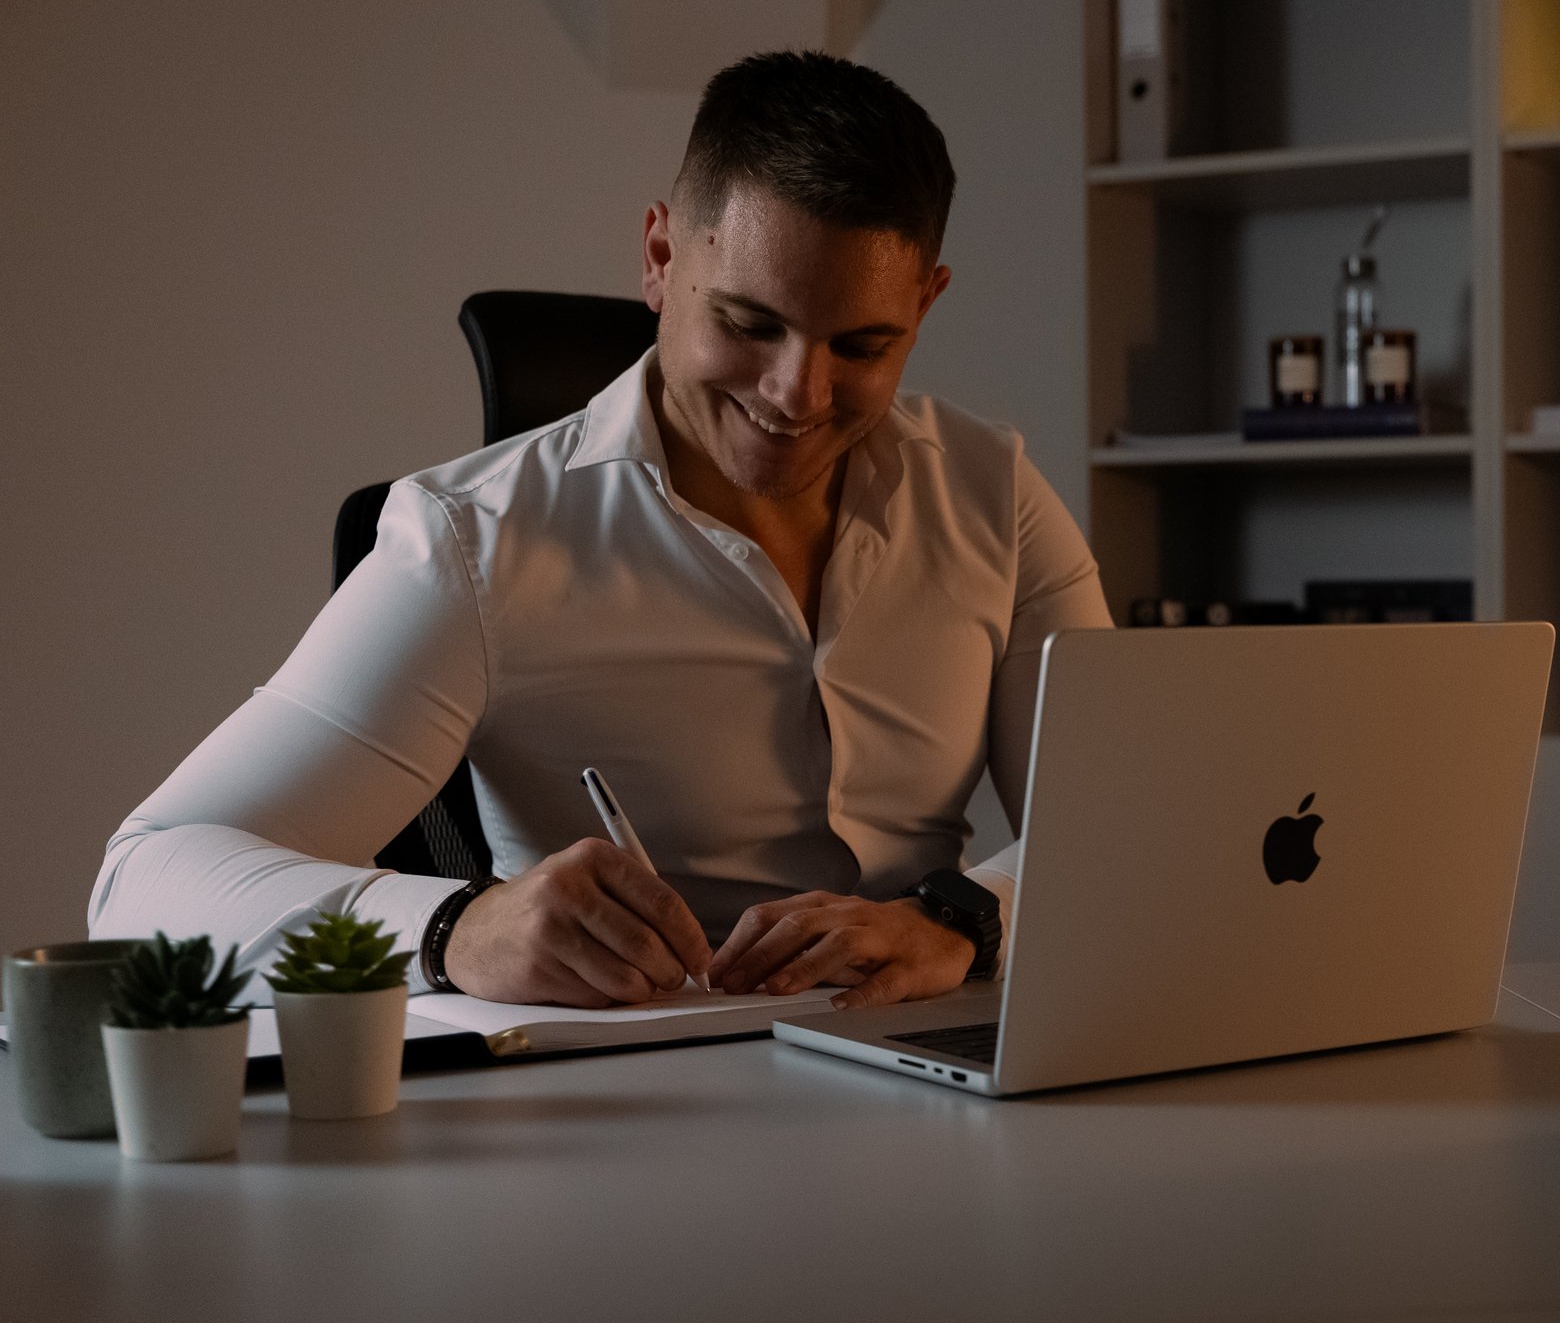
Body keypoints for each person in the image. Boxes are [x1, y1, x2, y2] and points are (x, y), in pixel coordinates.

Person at [89, 51, 1110, 1010]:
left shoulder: (995, 492)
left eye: (862, 343)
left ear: (925, 304)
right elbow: (146, 880)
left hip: (938, 1072)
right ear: (661, 256)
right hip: (626, 1099)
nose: (799, 393)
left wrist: (964, 921)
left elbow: (1125, 812)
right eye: (749, 325)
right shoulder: (472, 543)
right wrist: (456, 926)